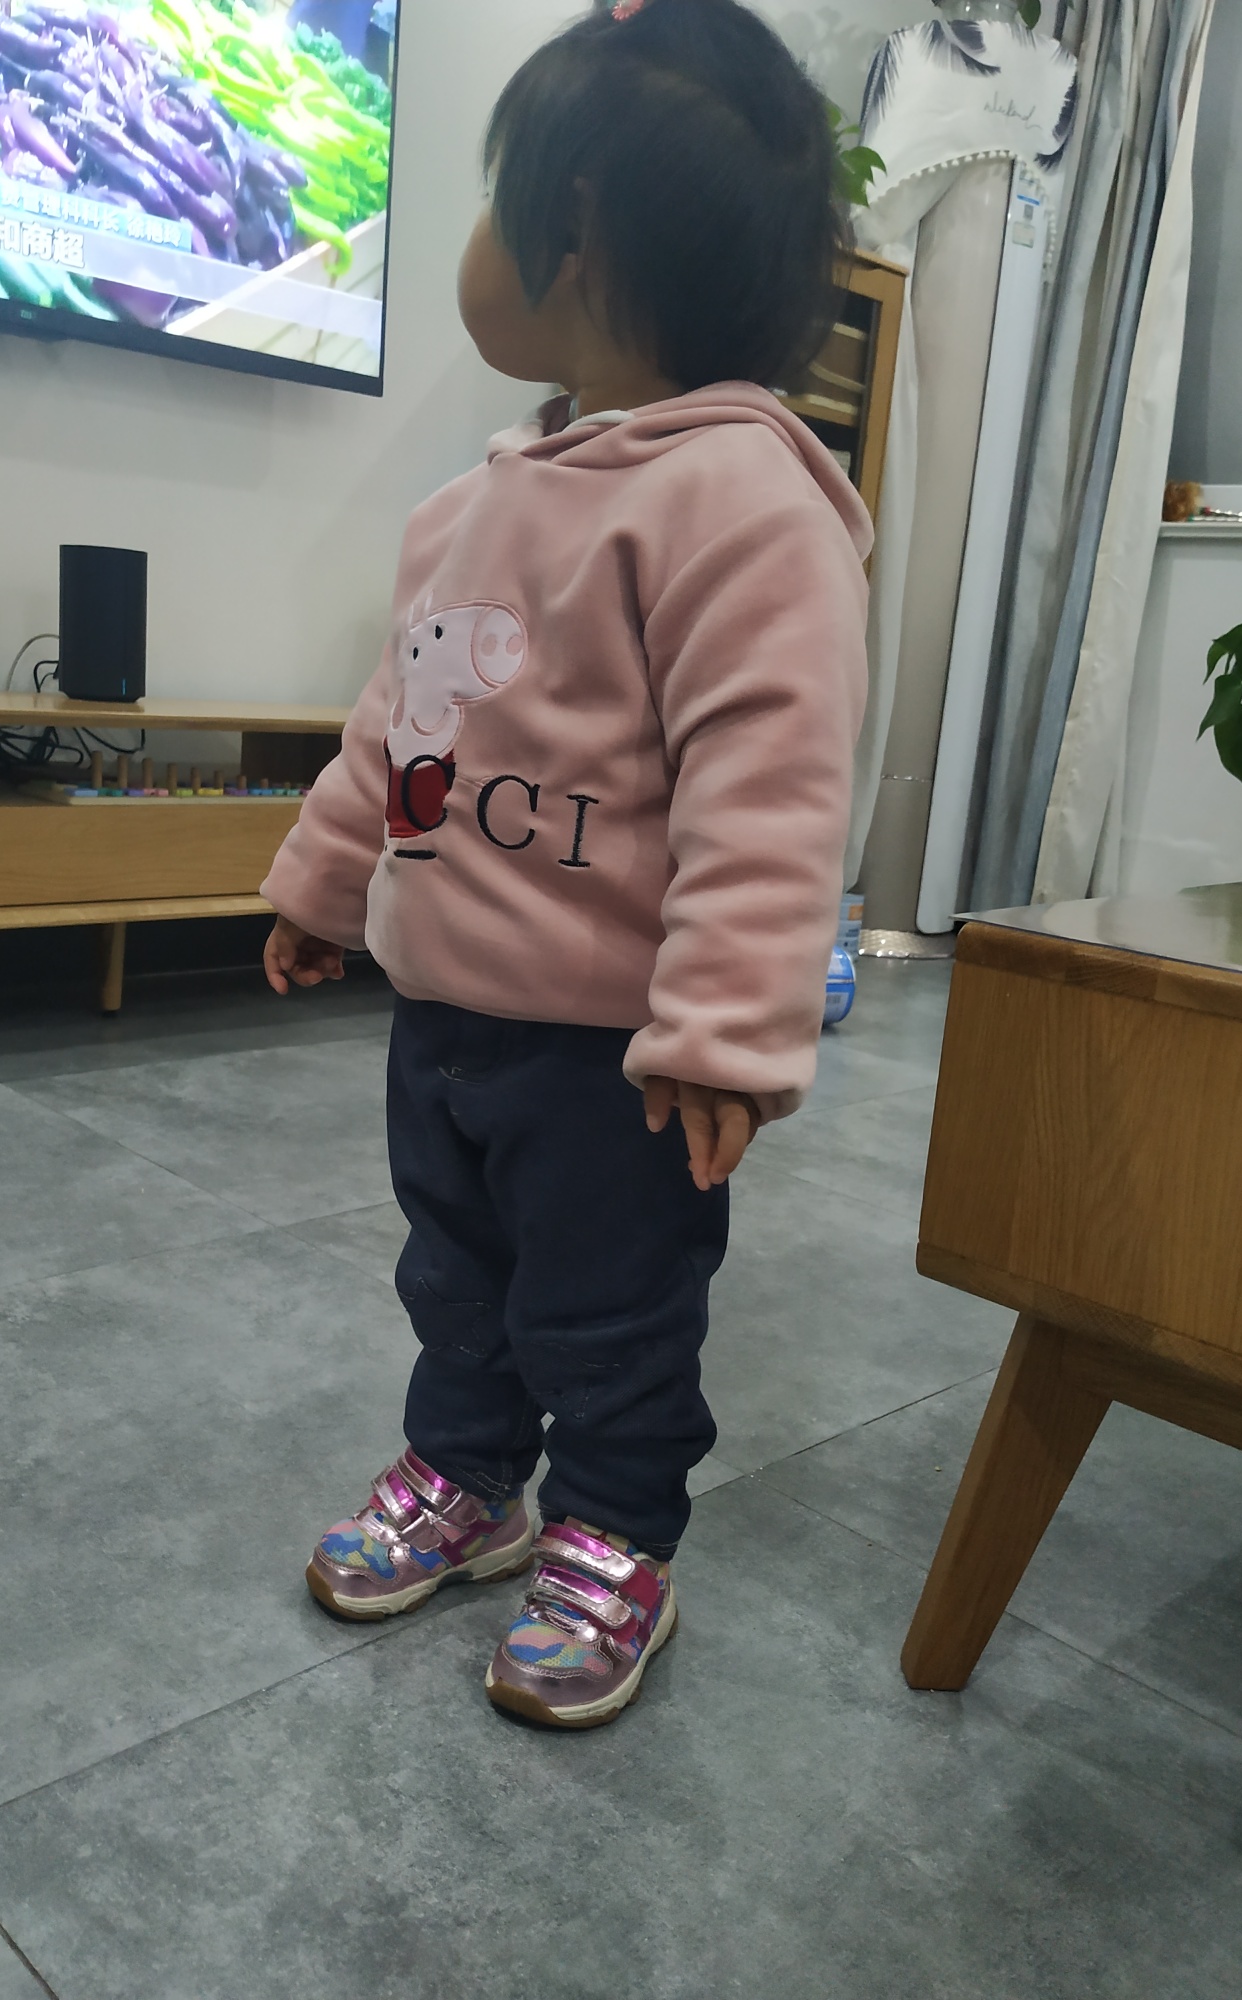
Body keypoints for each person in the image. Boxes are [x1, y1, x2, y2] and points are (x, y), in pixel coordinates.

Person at [261, 0, 872, 1730]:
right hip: (448, 1010)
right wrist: (323, 877)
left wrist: (728, 1032)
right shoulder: (477, 504)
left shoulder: (743, 502)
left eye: (492, 201)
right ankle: (471, 1478)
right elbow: (399, 722)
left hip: (616, 1052)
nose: (475, 242)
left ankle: (613, 1533)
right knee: (454, 1276)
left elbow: (772, 785)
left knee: (611, 1315)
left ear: (579, 230)